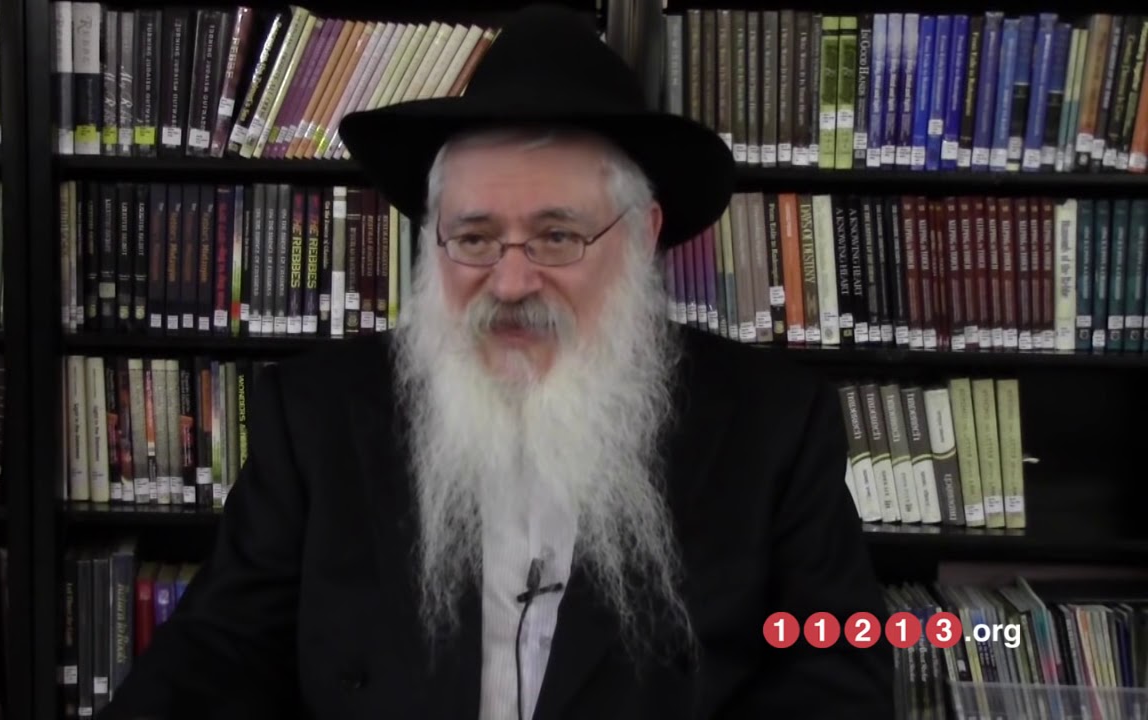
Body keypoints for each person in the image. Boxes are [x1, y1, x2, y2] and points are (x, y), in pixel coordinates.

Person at [100, 4, 893, 719]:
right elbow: (219, 654)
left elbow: (834, 674)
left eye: (558, 236)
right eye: (475, 238)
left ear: (643, 235)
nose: (511, 283)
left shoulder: (774, 424)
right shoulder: (314, 414)